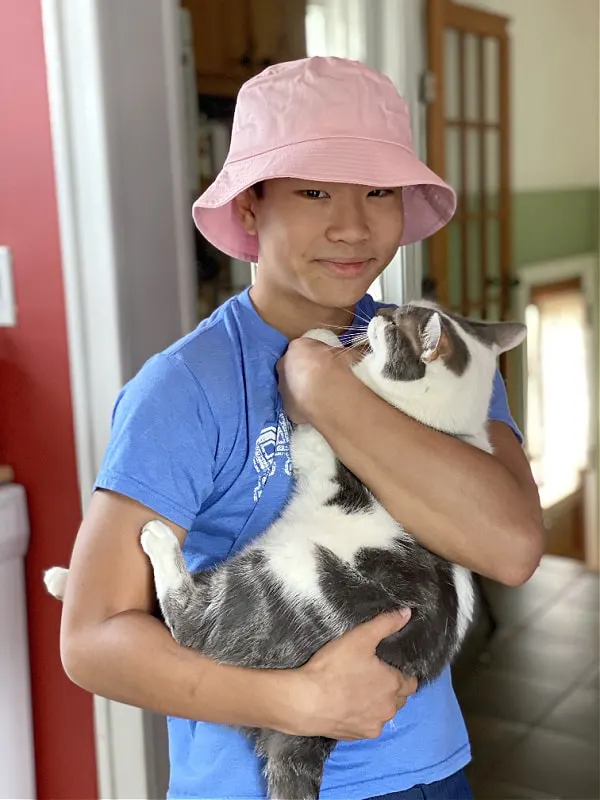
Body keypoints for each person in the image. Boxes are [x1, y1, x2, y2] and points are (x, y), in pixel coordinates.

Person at [59, 57, 543, 800]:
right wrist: (298, 702)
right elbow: (92, 640)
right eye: (314, 191)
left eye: (378, 191)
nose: (352, 225)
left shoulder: (436, 350)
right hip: (250, 783)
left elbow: (510, 547)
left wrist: (323, 388)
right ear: (250, 209)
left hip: (426, 772)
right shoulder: (186, 387)